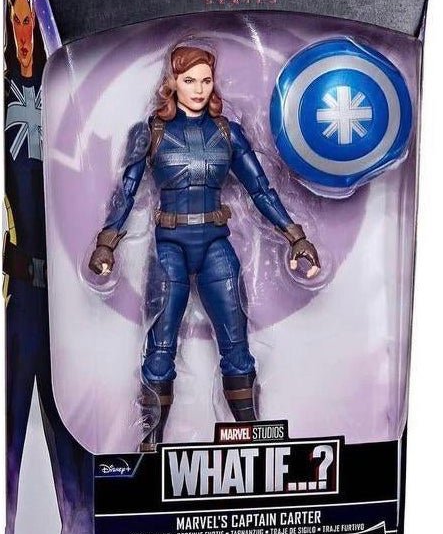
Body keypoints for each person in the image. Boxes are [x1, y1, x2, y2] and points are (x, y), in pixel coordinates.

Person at [89, 45, 320, 450]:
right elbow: (126, 192)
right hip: (169, 248)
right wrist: (106, 243)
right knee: (161, 348)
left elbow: (260, 189)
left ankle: (251, 440)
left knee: (237, 347)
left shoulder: (228, 133)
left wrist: (295, 237)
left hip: (215, 244)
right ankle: (151, 445)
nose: (198, 89)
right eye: (189, 80)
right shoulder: (151, 132)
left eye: (206, 80)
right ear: (173, 82)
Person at [4, 0, 92, 534]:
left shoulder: (75, 90)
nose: (23, 31)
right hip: (20, 296)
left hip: (68, 297)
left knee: (73, 439)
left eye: (31, 18)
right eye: (15, 18)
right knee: (9, 437)